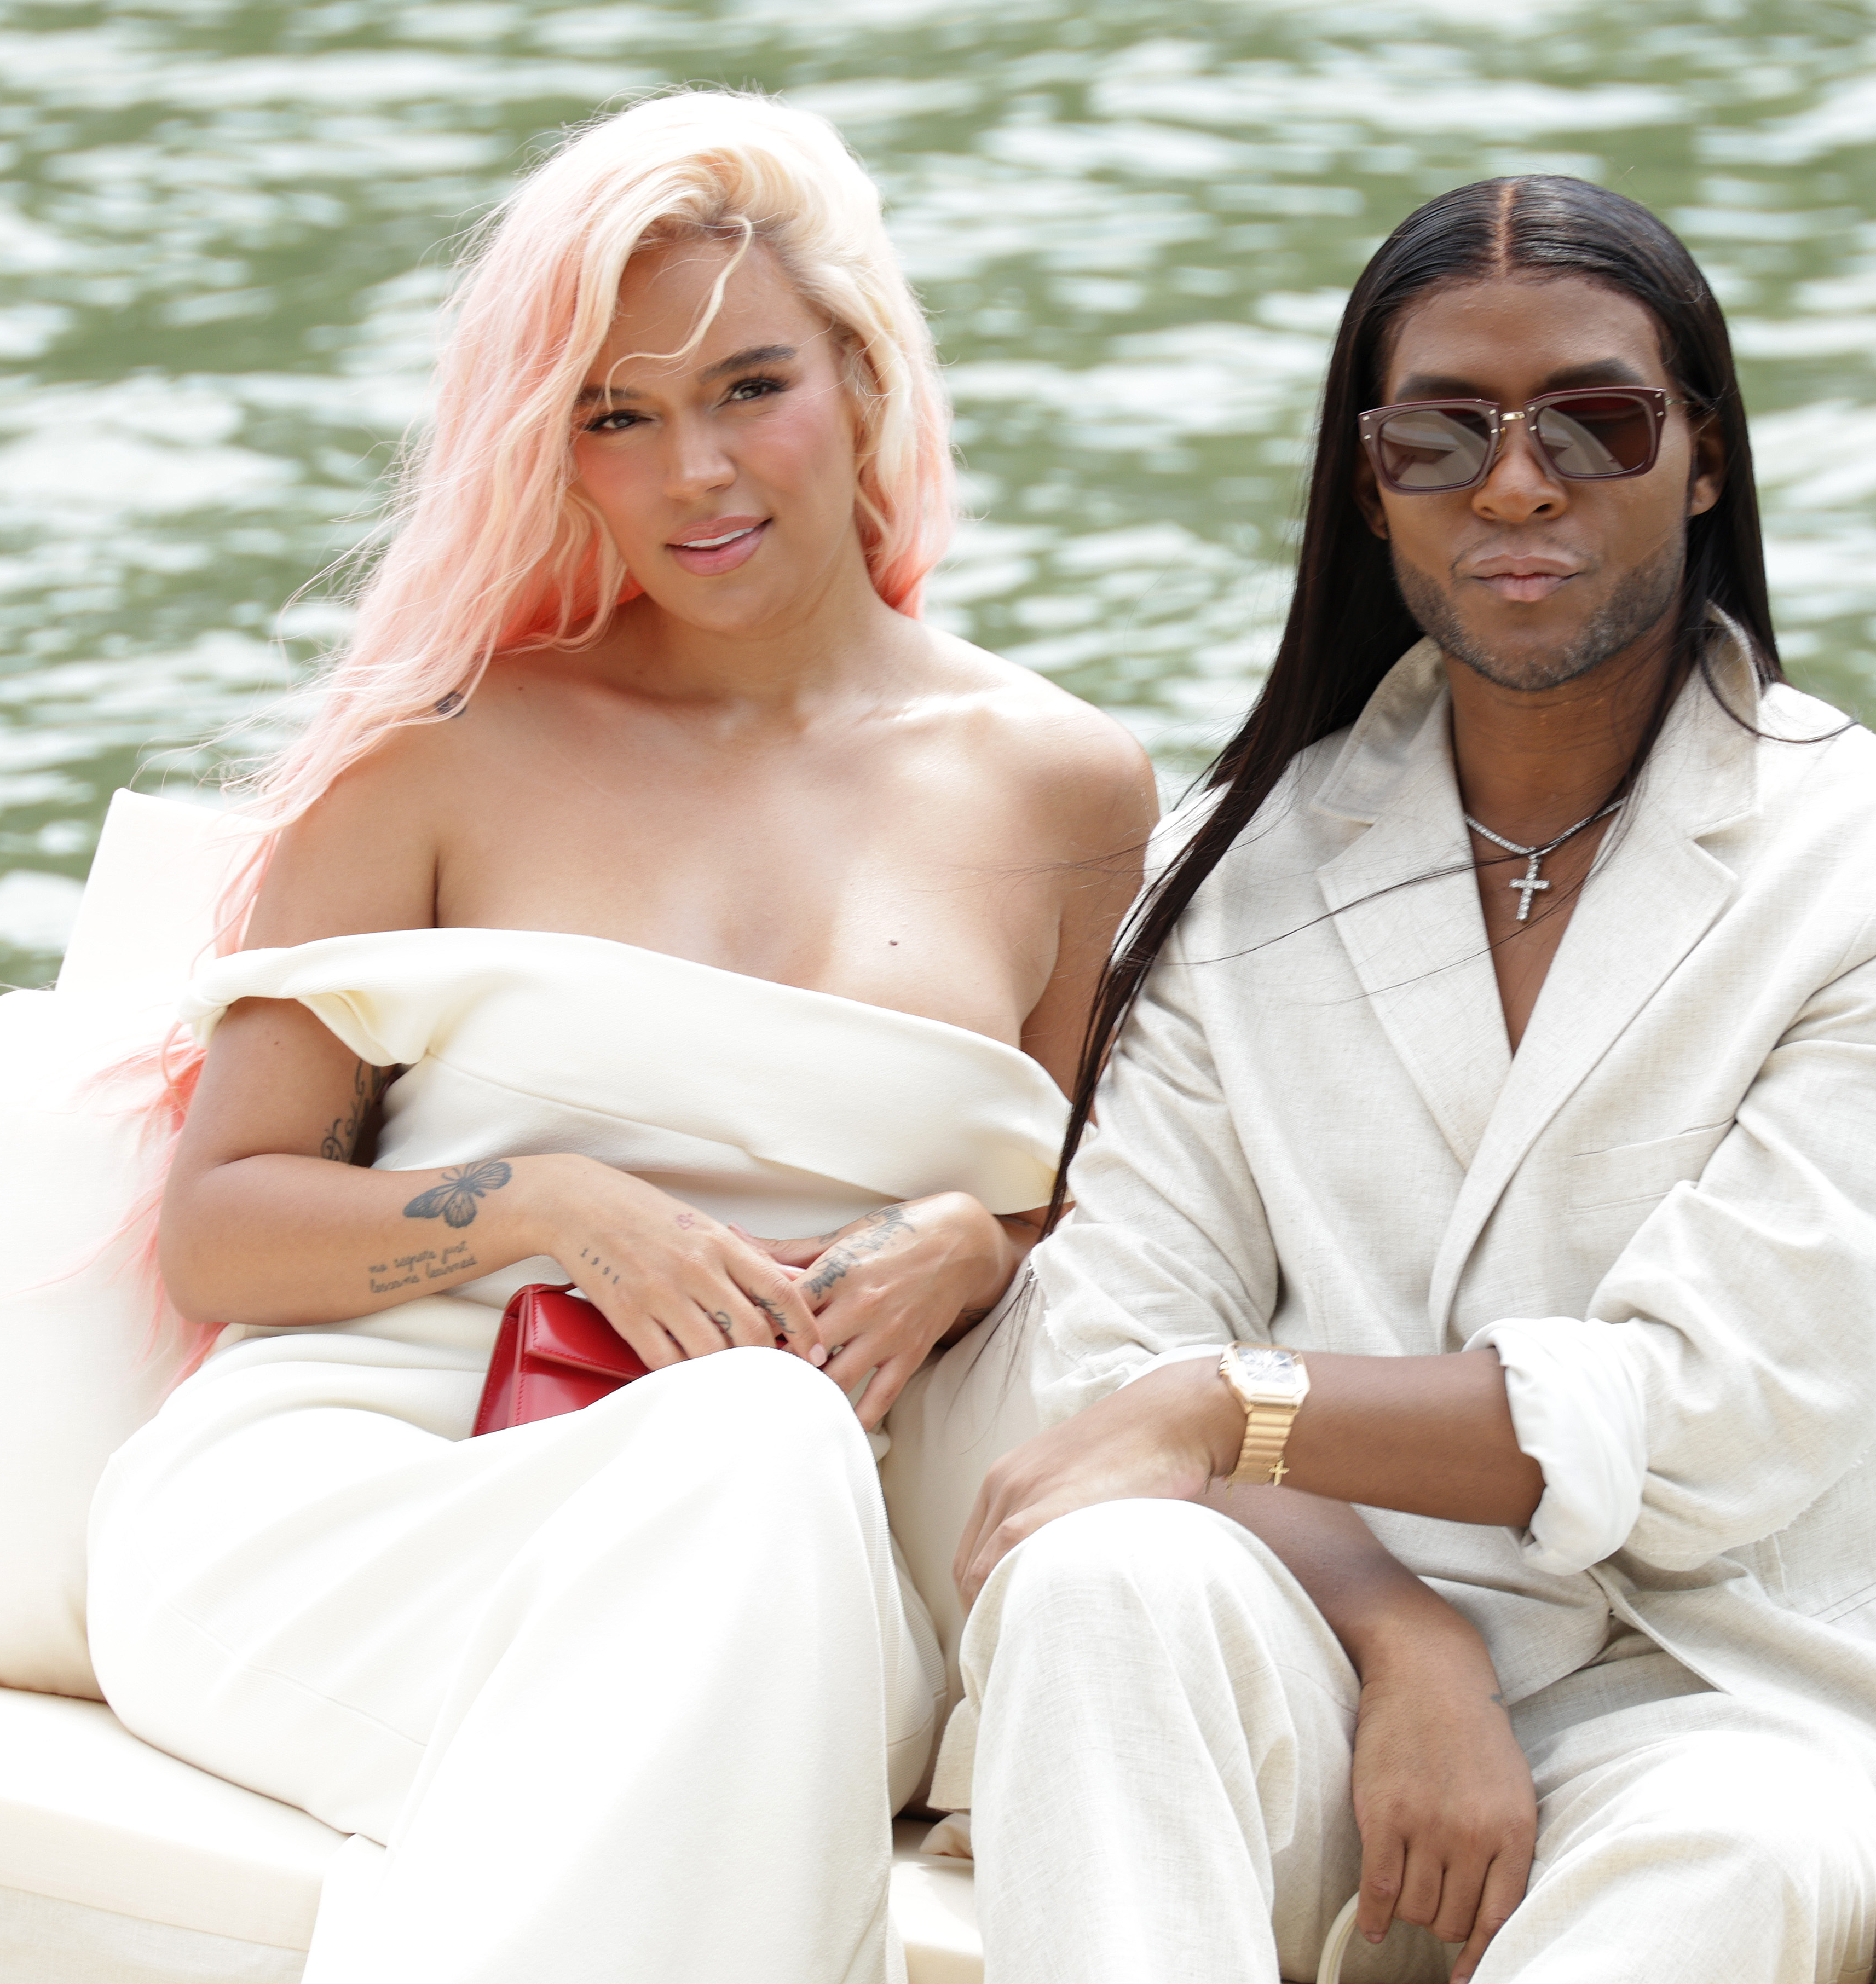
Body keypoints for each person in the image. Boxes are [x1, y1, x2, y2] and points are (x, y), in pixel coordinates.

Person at [942, 176, 1876, 1984]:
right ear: (1370, 480)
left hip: (1735, 1686)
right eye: (1443, 433)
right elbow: (1116, 1371)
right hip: (1332, 1648)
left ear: (1703, 458)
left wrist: (1234, 1398)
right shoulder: (1229, 874)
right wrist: (1402, 1636)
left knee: (1745, 1845)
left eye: (1596, 418)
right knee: (1101, 1577)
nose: (1516, 482)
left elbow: (1712, 1416)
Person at [83, 91, 1153, 1984]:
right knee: (740, 1446)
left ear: (867, 375)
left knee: (750, 1455)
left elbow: (1109, 1204)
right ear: (556, 453)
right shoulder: (443, 754)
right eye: (616, 415)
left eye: (751, 387)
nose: (695, 472)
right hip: (360, 1514)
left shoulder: (1065, 787)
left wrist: (982, 1242)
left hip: (811, 1574)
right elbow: (219, 1226)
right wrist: (549, 1204)